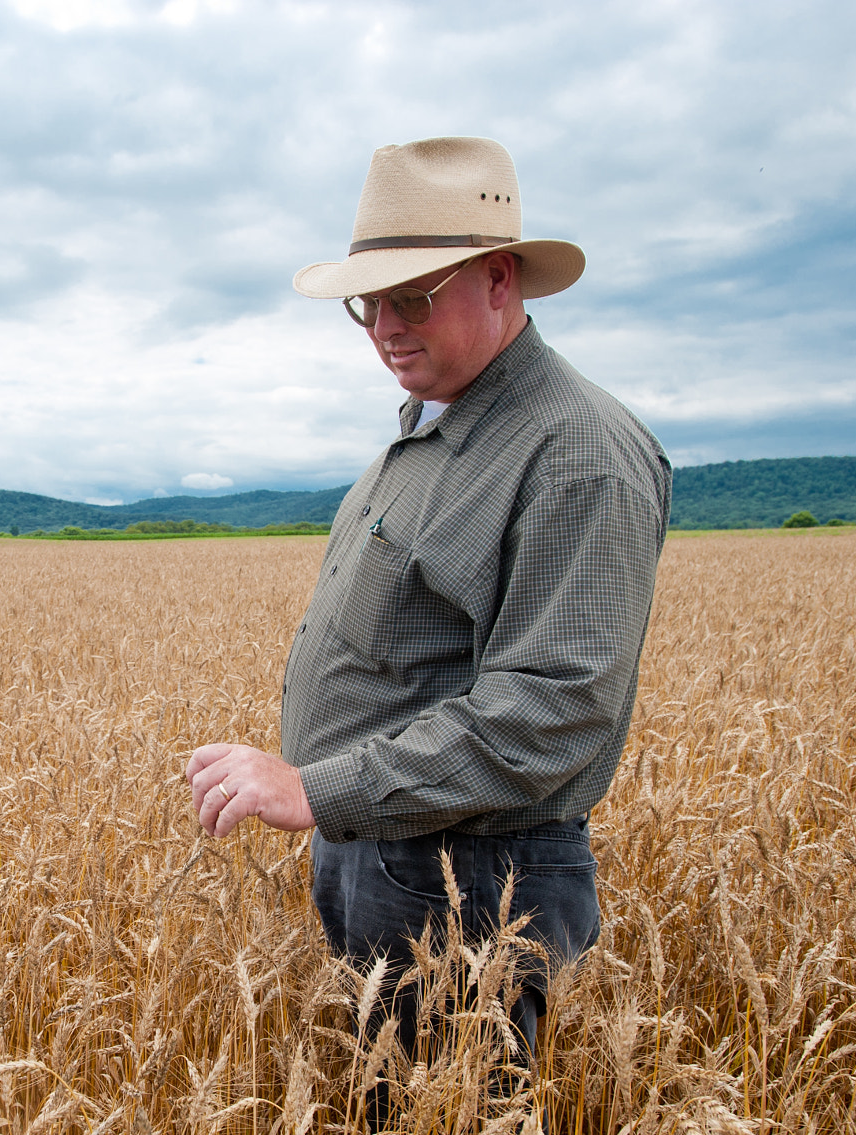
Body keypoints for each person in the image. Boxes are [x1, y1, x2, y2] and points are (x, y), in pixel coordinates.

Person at [185, 136, 670, 1068]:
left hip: (467, 882)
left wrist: (313, 786)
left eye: (414, 296)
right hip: (391, 851)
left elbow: (552, 712)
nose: (384, 327)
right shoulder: (435, 430)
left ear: (499, 279)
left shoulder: (577, 452)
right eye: (368, 302)